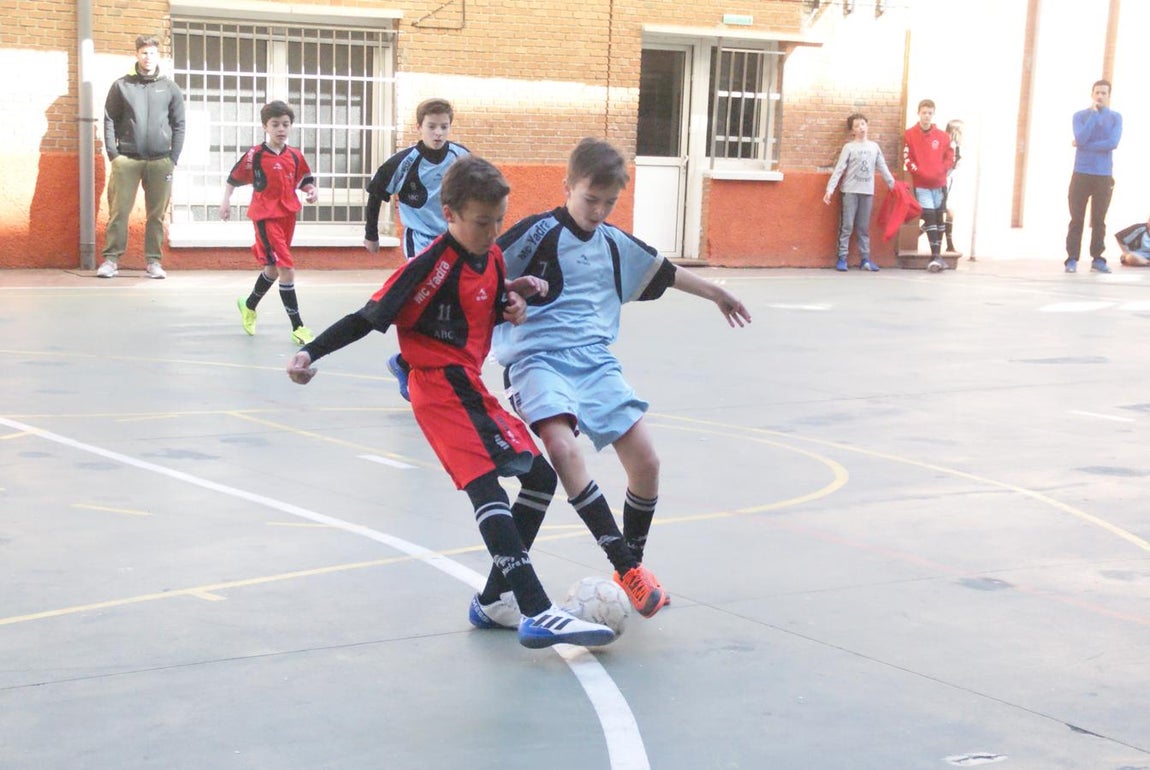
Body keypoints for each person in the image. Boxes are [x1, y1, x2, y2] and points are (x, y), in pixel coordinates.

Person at [285, 155, 617, 650]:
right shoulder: (427, 267)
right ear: (450, 215)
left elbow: (484, 302)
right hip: (440, 386)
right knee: (485, 486)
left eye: (499, 220)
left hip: (469, 384)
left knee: (540, 478)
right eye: (482, 222)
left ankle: (494, 600)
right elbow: (366, 318)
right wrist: (310, 352)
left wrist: (513, 297)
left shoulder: (493, 257)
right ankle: (537, 609)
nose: (493, 232)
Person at [492, 137, 752, 619]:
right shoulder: (535, 233)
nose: (598, 211)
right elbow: (478, 275)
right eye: (590, 199)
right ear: (567, 186)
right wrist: (507, 299)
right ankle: (627, 566)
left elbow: (664, 270)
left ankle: (631, 564)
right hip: (537, 359)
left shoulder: (614, 243)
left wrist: (716, 293)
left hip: (595, 362)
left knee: (646, 462)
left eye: (609, 202)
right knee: (563, 449)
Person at [364, 98, 470, 401]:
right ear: (419, 127)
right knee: (429, 296)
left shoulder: (461, 157)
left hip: (452, 239)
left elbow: (478, 191)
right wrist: (371, 234)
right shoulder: (404, 161)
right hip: (419, 239)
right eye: (432, 126)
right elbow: (376, 194)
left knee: (452, 302)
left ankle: (405, 361)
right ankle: (410, 361)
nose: (438, 133)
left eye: (444, 127)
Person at [221, 101, 319, 345]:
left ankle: (248, 304)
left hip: (288, 216)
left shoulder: (295, 155)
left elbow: (304, 181)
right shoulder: (255, 155)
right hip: (265, 217)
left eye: (285, 124)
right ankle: (298, 327)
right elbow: (233, 179)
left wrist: (311, 190)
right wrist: (225, 202)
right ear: (265, 127)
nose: (281, 129)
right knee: (286, 268)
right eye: (275, 124)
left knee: (272, 269)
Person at [96, 34, 186, 280]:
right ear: (137, 54)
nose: (148, 57)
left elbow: (179, 123)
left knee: (156, 215)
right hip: (126, 159)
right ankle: (111, 260)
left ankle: (153, 262)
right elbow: (109, 119)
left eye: (152, 53)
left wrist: (173, 157)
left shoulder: (169, 87)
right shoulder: (121, 86)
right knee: (119, 211)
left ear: (159, 56)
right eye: (144, 52)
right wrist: (114, 155)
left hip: (161, 161)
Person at [823, 112, 896, 272]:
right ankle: (842, 257)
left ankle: (865, 259)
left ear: (867, 126)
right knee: (847, 226)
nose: (861, 128)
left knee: (863, 227)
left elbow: (883, 167)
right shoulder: (849, 147)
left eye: (863, 124)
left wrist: (893, 186)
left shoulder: (874, 147)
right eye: (857, 126)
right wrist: (830, 189)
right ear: (852, 131)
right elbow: (839, 168)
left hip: (867, 191)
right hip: (850, 191)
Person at [1064, 79, 1122, 274]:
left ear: (1109, 96)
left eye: (1104, 93)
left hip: (1103, 175)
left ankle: (1098, 258)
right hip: (1081, 173)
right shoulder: (1080, 116)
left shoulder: (1115, 118)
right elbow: (1080, 137)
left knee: (1099, 219)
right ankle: (1072, 258)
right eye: (1097, 92)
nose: (1100, 96)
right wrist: (1093, 116)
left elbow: (1112, 143)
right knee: (1076, 218)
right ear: (1092, 94)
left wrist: (1084, 145)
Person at [903, 99, 955, 273]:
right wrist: (918, 172)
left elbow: (950, 157)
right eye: (924, 112)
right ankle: (936, 256)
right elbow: (907, 157)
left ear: (933, 114)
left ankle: (936, 257)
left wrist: (942, 170)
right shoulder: (909, 134)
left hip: (939, 184)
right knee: (930, 217)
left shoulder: (943, 136)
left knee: (939, 219)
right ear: (918, 113)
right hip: (922, 184)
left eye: (929, 113)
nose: (926, 116)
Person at [943, 119, 963, 256]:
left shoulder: (955, 145)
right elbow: (951, 164)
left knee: (948, 213)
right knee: (945, 212)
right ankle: (949, 244)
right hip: (947, 180)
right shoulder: (951, 145)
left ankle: (949, 244)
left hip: (951, 179)